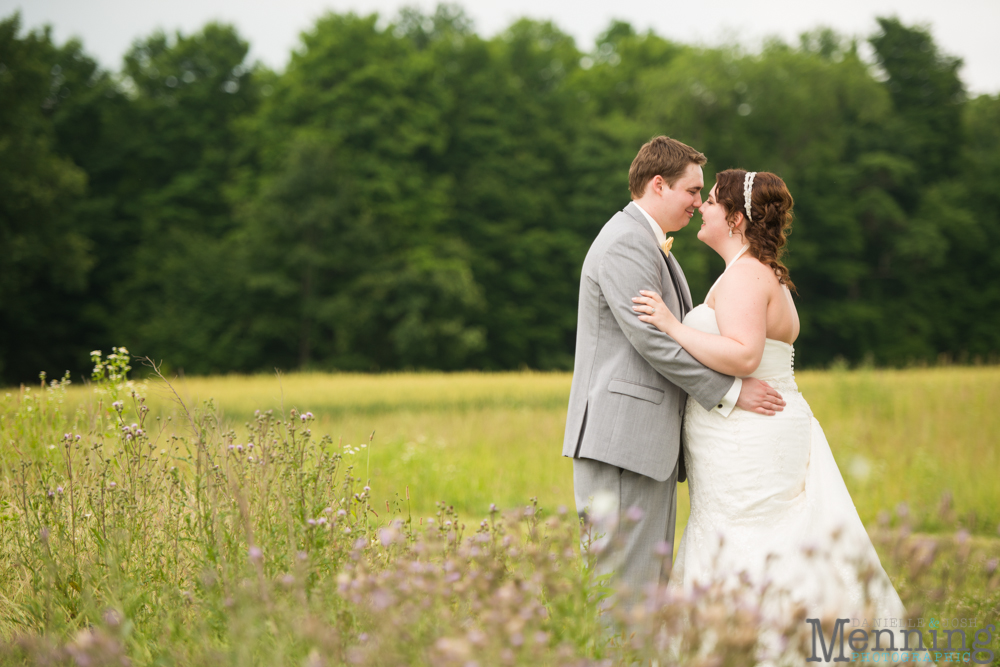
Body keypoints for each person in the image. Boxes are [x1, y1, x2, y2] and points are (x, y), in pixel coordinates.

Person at [631, 169, 906, 638]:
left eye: (712, 201)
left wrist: (672, 326)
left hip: (748, 435)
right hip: (752, 429)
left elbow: (744, 355)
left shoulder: (744, 277)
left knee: (749, 537)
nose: (701, 207)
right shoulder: (758, 272)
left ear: (736, 219)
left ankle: (761, 642)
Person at [562, 138, 785, 612]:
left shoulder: (651, 244)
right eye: (693, 190)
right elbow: (654, 340)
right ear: (658, 184)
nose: (698, 202)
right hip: (622, 443)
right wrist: (728, 392)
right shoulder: (626, 243)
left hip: (642, 447)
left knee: (641, 584)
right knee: (621, 589)